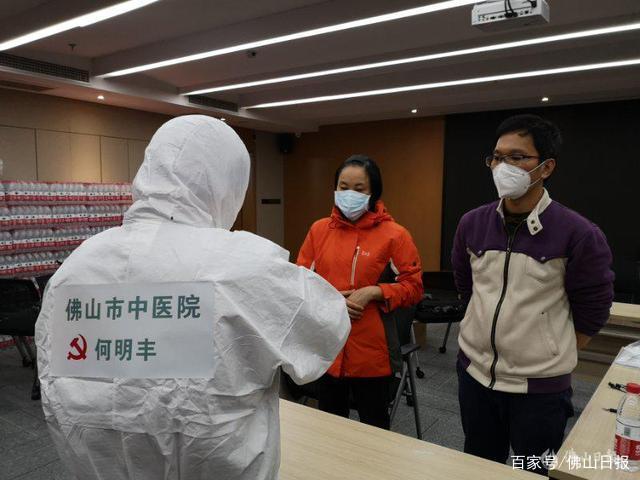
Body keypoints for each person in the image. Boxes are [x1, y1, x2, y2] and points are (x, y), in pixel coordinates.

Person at [35, 115, 351, 480]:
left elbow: (56, 383)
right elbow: (326, 328)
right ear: (228, 183)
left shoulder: (77, 265)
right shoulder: (242, 265)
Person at [452, 114, 614, 475]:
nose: (503, 167)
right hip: (475, 375)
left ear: (546, 167)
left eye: (517, 157)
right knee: (479, 465)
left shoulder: (578, 233)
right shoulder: (472, 223)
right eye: (497, 157)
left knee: (533, 469)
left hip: (539, 389)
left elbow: (594, 307)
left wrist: (551, 350)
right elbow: (466, 285)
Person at [297, 154, 423, 430]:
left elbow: (414, 288)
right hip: (329, 347)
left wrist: (374, 292)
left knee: (374, 432)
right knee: (330, 430)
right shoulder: (319, 230)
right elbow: (300, 282)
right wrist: (332, 299)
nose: (349, 194)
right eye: (343, 187)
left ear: (373, 192)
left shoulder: (395, 235)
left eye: (359, 188)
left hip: (373, 354)